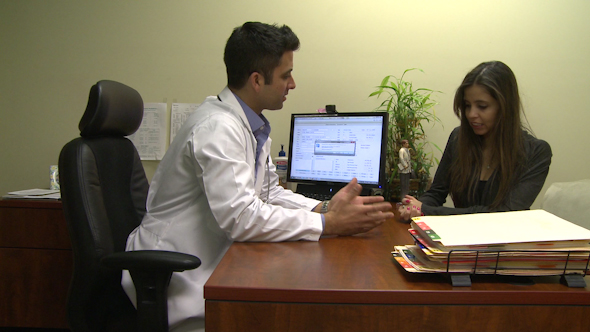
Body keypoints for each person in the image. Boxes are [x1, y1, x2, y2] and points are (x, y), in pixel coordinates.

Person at [122, 22, 393, 331]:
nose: (292, 84)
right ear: (256, 80)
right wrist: (327, 223)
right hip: (174, 274)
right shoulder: (218, 128)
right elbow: (240, 216)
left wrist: (324, 207)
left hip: (214, 258)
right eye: (285, 75)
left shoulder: (248, 124)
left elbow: (268, 192)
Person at [398, 61, 552, 222]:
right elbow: (436, 193)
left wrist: (426, 210)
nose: (471, 114)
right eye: (467, 105)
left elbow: (505, 214)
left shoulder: (536, 152)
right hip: (457, 241)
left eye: (482, 106)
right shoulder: (459, 138)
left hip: (504, 242)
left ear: (505, 107)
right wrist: (414, 208)